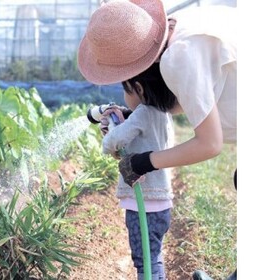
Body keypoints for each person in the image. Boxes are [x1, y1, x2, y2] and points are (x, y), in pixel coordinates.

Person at [77, 0, 237, 279]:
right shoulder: (179, 31)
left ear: (138, 83)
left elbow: (210, 143)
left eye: (123, 85)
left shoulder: (179, 58)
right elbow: (172, 106)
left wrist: (144, 162)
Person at [100, 62, 175, 280]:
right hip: (160, 205)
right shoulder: (163, 111)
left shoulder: (143, 112)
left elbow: (114, 141)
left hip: (144, 206)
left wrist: (108, 136)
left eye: (126, 89)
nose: (124, 95)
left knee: (145, 263)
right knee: (153, 256)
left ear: (139, 89)